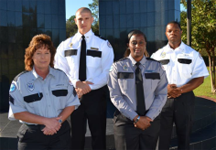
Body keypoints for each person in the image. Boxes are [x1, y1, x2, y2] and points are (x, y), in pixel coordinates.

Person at [54, 7, 114, 150]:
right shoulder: (65, 45)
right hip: (73, 96)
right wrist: (76, 83)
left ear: (92, 20)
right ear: (75, 21)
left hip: (96, 95)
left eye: (87, 18)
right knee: (76, 137)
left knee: (98, 136)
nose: (83, 22)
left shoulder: (103, 44)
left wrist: (88, 87)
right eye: (80, 19)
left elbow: (108, 71)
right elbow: (59, 70)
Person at [8, 34, 80, 150]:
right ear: (31, 56)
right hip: (32, 137)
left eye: (47, 53)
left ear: (51, 56)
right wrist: (46, 121)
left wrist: (58, 122)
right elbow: (17, 112)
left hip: (60, 134)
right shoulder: (20, 81)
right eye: (38, 53)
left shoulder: (62, 77)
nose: (43, 57)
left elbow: (71, 103)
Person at [151, 21, 209, 150]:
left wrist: (180, 90)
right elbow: (150, 78)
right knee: (161, 137)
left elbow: (200, 78)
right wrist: (165, 89)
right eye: (170, 31)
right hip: (162, 100)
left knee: (184, 135)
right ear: (166, 34)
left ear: (181, 32)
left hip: (185, 99)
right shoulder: (157, 55)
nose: (173, 33)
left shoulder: (193, 54)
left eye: (176, 30)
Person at [107, 30, 168, 150]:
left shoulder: (157, 67)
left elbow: (161, 94)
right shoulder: (117, 67)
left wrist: (148, 117)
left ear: (145, 44)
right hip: (126, 122)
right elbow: (115, 96)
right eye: (134, 43)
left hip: (150, 122)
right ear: (128, 45)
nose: (137, 46)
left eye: (141, 43)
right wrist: (136, 118)